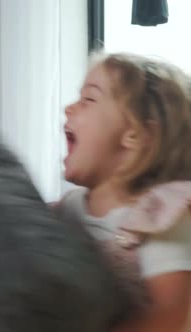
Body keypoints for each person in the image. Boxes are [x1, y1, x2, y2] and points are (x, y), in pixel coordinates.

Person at [56, 52, 191, 331]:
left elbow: (171, 314)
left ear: (136, 134)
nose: (69, 108)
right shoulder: (67, 209)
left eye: (89, 99)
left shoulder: (159, 216)